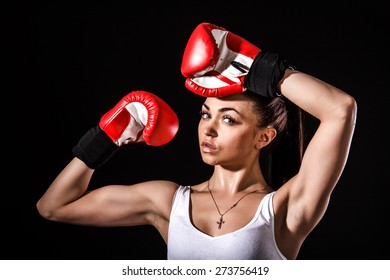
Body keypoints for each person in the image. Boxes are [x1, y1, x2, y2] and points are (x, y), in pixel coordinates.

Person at [36, 22, 357, 260]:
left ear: (264, 137)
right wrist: (105, 138)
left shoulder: (286, 208)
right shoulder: (167, 201)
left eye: (228, 118)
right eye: (206, 114)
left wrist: (260, 69)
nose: (209, 128)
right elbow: (53, 207)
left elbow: (340, 109)